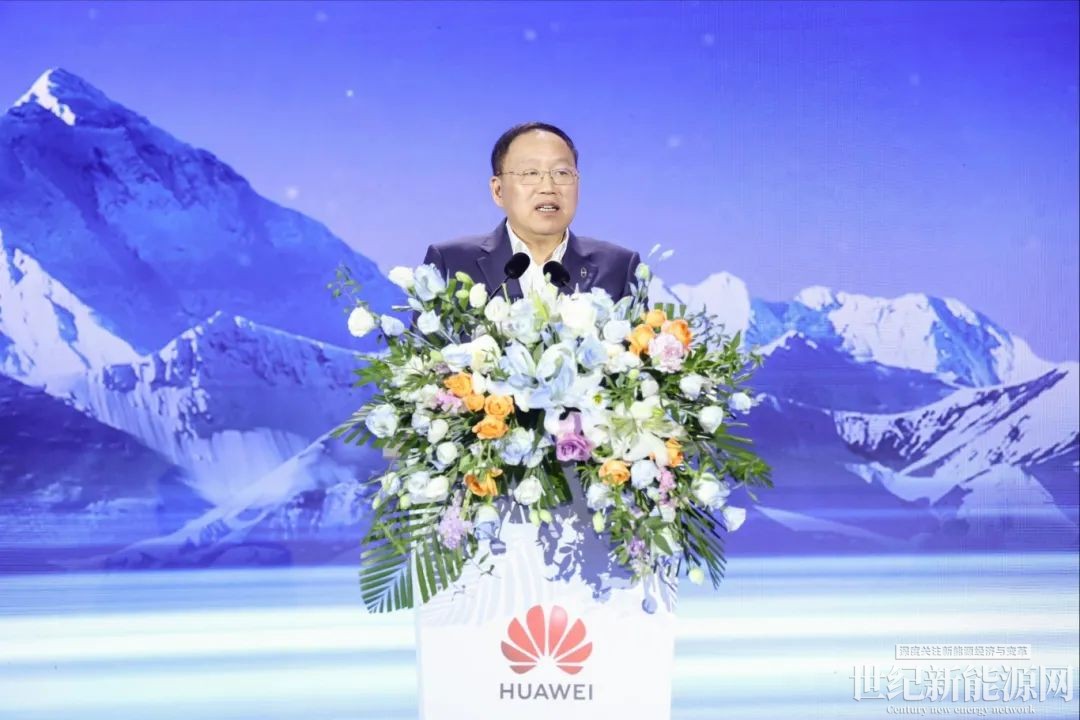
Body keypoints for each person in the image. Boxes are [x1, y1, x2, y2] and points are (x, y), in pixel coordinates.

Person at [421, 122, 641, 302]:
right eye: (530, 173)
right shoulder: (451, 262)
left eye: (562, 173)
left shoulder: (619, 267)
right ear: (498, 191)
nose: (548, 187)